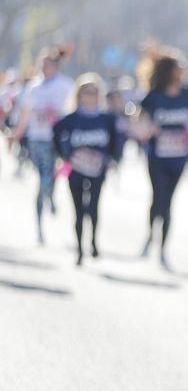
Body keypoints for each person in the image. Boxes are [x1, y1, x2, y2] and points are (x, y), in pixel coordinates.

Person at [135, 48, 188, 269]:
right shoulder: (153, 96)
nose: (182, 72)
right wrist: (150, 129)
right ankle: (150, 235)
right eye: (178, 68)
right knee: (158, 197)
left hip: (179, 156)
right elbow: (140, 124)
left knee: (169, 202)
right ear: (168, 71)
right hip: (157, 156)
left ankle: (163, 249)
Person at [52, 74, 123, 265]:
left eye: (94, 92)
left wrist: (113, 159)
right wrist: (65, 156)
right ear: (79, 95)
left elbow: (117, 141)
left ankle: (93, 242)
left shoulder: (106, 119)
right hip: (75, 169)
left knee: (93, 207)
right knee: (78, 210)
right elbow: (56, 135)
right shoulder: (70, 119)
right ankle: (79, 250)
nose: (90, 96)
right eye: (86, 92)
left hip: (98, 169)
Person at [7, 48, 75, 244]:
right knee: (43, 177)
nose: (43, 68)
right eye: (41, 64)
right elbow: (25, 114)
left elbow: (73, 112)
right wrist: (16, 134)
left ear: (55, 66)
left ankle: (49, 195)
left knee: (50, 175)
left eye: (47, 64)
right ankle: (41, 221)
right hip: (37, 138)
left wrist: (59, 116)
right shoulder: (34, 87)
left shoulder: (65, 86)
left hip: (58, 138)